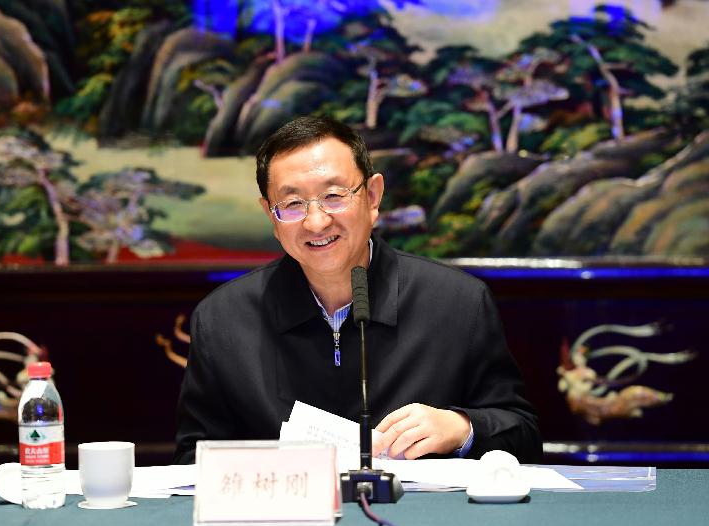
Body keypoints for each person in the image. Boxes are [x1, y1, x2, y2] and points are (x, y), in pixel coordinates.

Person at [174, 116, 541, 465]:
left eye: (334, 196)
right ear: (271, 215)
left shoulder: (458, 302)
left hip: (418, 510)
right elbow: (194, 460)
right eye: (292, 204)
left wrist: (462, 429)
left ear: (373, 196)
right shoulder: (224, 319)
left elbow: (524, 437)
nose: (316, 222)